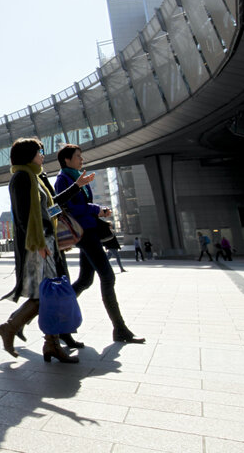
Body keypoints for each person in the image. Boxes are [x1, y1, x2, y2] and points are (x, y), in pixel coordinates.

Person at [0, 138, 91, 363]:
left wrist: (76, 187)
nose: (43, 155)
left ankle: (49, 343)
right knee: (45, 294)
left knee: (48, 294)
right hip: (37, 244)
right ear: (29, 154)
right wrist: (38, 245)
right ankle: (15, 330)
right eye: (40, 151)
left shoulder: (35, 177)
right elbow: (22, 217)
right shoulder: (21, 177)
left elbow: (51, 208)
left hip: (47, 242)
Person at [55, 144, 145, 344]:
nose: (82, 159)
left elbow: (83, 205)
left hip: (90, 230)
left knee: (86, 280)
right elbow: (69, 208)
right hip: (83, 233)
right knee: (108, 275)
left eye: (81, 155)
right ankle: (120, 329)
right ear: (67, 160)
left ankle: (60, 321)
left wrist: (98, 211)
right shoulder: (64, 179)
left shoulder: (79, 177)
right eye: (78, 156)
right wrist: (97, 210)